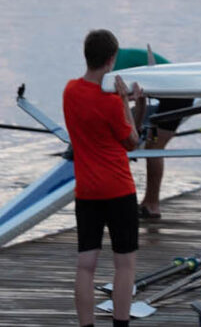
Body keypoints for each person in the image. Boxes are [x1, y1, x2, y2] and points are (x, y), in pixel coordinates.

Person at [64, 29, 147, 327]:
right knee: (124, 263)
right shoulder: (111, 102)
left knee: (86, 264)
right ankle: (120, 324)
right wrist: (131, 104)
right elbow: (132, 141)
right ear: (111, 60)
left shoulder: (70, 91)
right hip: (118, 189)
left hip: (87, 191)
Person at [112, 44, 187, 220]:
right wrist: (135, 130)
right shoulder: (123, 58)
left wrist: (134, 132)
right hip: (165, 95)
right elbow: (141, 99)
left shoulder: (114, 71)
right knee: (151, 146)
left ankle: (152, 205)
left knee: (154, 149)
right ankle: (148, 202)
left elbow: (138, 101)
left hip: (178, 97)